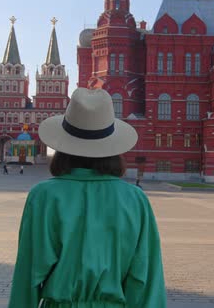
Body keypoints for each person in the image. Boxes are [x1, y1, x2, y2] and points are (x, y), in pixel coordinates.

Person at [9, 88, 167, 307]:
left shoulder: (44, 196)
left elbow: (28, 274)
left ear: (63, 145)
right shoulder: (135, 199)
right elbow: (148, 278)